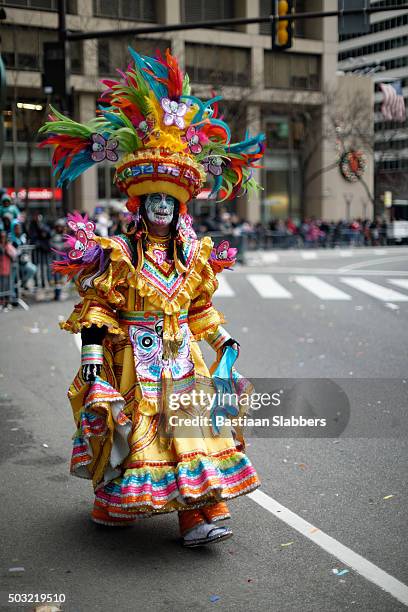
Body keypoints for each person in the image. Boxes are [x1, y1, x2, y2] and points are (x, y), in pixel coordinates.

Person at [40, 48, 264, 547]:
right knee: (131, 434)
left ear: (180, 205)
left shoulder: (196, 255)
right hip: (130, 360)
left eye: (170, 199)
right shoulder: (118, 252)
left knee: (193, 430)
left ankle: (200, 512)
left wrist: (224, 341)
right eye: (154, 199)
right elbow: (98, 306)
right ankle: (115, 503)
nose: (162, 206)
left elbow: (200, 308)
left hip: (182, 357)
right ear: (140, 205)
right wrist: (93, 356)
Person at [0, 230, 17, 310]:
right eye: (1, 237)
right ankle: (1, 303)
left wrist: (8, 253)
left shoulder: (8, 245)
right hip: (0, 270)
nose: (3, 238)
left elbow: (14, 254)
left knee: (7, 286)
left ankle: (7, 303)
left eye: (4, 237)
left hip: (7, 269)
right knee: (1, 287)